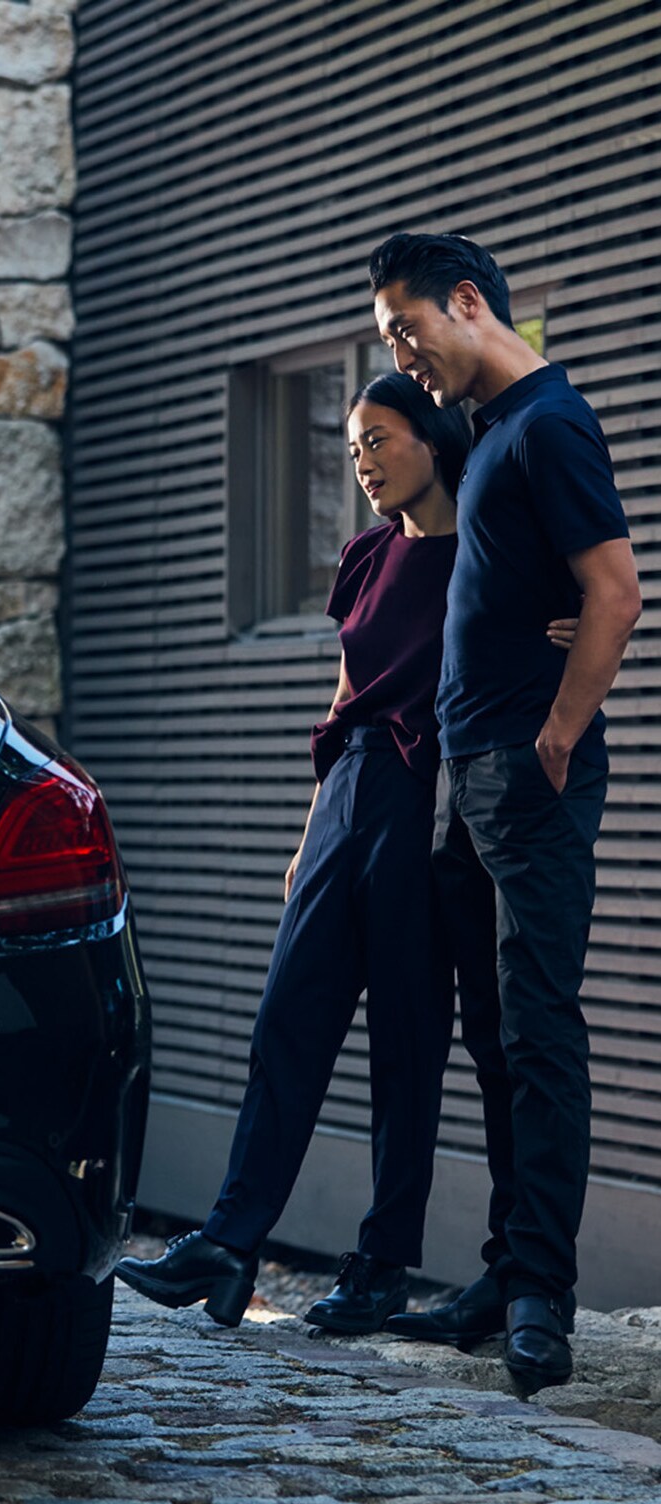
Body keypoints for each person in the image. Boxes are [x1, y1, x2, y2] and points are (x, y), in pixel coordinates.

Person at [116, 373, 575, 1336]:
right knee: (289, 1014)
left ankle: (379, 1265)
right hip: (348, 796)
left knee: (409, 1045)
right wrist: (307, 832)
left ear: (433, 438)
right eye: (353, 443)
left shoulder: (488, 556)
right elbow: (338, 705)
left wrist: (563, 624)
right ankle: (232, 1240)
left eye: (379, 438)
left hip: (427, 803)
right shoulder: (364, 557)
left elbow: (572, 614)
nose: (361, 459)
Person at [368, 232, 641, 1393]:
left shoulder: (550, 424)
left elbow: (614, 589)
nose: (401, 355)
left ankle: (540, 1294)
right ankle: (497, 1273)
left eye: (402, 330)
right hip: (467, 771)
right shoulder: (485, 438)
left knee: (536, 1030)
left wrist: (562, 729)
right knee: (488, 1034)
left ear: (464, 301)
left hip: (526, 774)